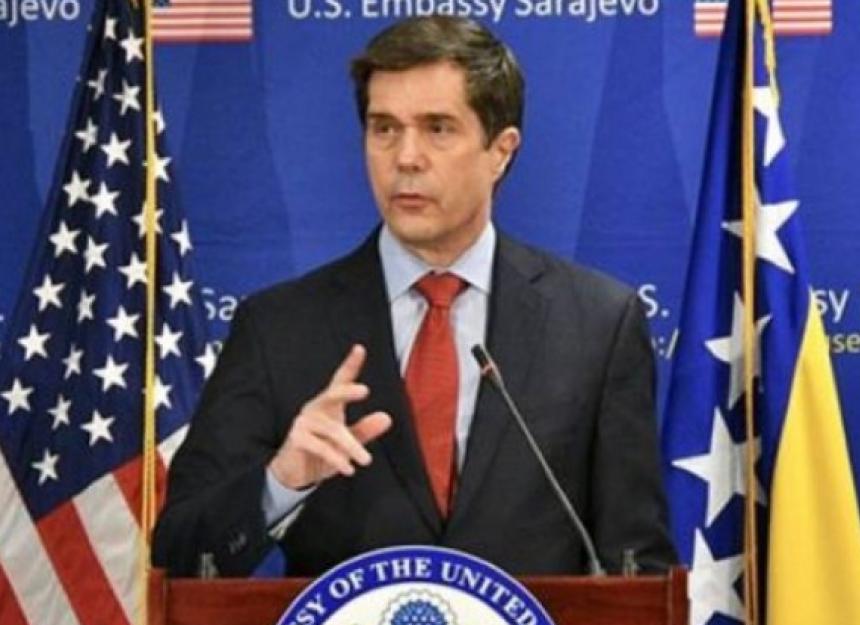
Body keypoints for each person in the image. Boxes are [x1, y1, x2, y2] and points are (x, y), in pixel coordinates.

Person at [152, 15, 676, 578]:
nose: (405, 157)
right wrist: (281, 481)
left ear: (501, 151)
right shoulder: (278, 328)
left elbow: (636, 569)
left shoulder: (597, 325)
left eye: (438, 128)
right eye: (384, 128)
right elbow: (180, 555)